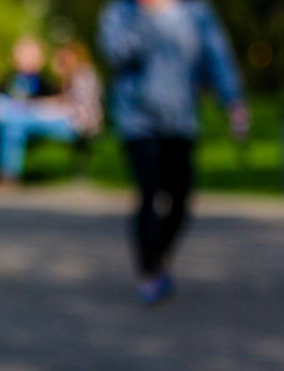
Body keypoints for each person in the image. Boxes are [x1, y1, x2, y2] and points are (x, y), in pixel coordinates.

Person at [98, 0, 248, 305]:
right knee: (150, 192)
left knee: (181, 198)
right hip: (138, 120)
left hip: (181, 119)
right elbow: (116, 54)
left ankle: (159, 254)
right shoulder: (121, 12)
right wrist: (146, 17)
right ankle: (148, 272)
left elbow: (215, 56)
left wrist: (232, 101)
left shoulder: (197, 12)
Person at [0, 38, 102, 195]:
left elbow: (75, 107)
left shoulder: (79, 75)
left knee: (12, 121)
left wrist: (43, 105)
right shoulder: (12, 78)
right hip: (18, 116)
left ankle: (2, 173)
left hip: (76, 124)